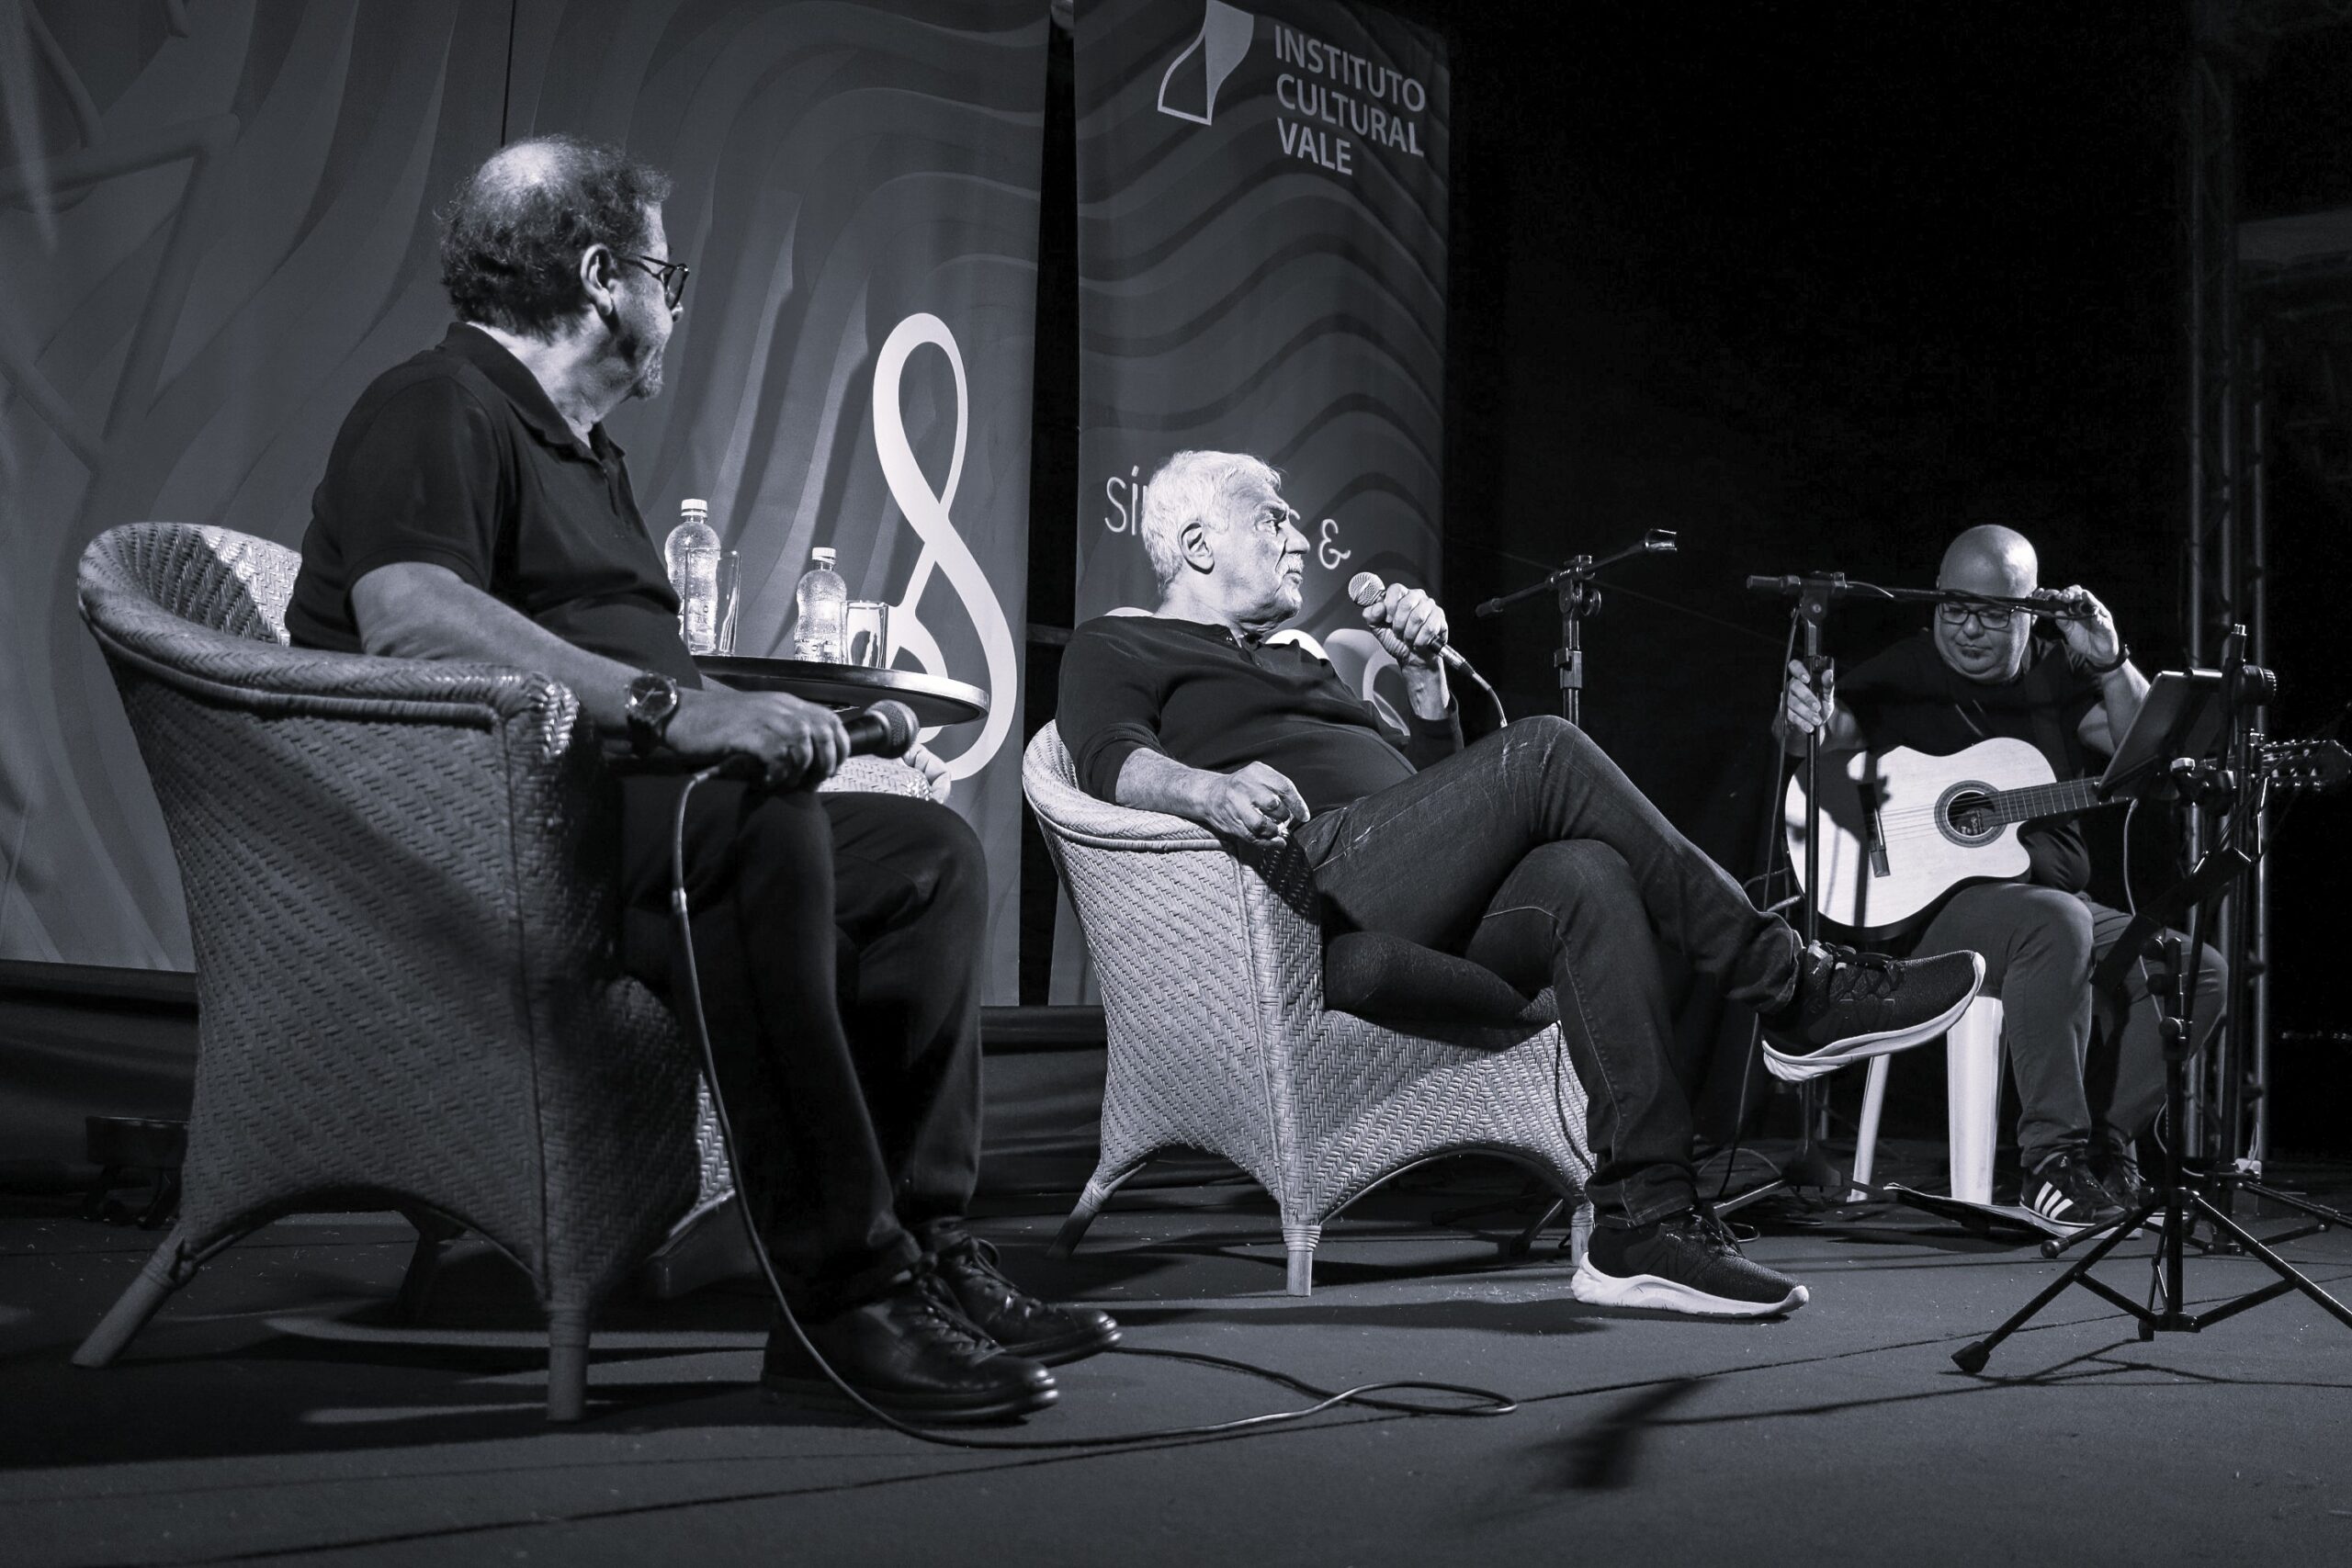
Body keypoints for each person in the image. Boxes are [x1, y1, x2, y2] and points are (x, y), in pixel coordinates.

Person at [285, 135, 1113, 1422]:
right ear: (602, 277)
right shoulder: (438, 402)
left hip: (611, 825)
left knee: (927, 861)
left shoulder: (589, 456)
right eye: (669, 277)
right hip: (495, 848)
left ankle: (926, 1247)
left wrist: (807, 721)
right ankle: (840, 1297)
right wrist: (680, 710)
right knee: (740, 823)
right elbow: (409, 615)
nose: (675, 306)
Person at [1057, 450, 1988, 1319]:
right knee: (1543, 748)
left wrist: (1424, 677)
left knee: (1586, 874)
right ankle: (1791, 986)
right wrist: (1209, 791)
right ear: (1197, 543)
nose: (1299, 538)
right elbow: (1106, 762)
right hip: (1306, 884)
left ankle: (1643, 1220)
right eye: (1274, 520)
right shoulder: (1119, 644)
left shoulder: (1304, 654)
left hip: (1395, 876)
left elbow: (1430, 783)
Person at [1775, 524, 2225, 1227]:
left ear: (2032, 611)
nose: (1968, 628)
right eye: (1954, 608)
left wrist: (2111, 664)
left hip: (2055, 906)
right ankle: (2051, 1162)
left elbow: (2151, 758)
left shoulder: (2056, 674)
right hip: (1930, 922)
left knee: (2199, 972)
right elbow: (1824, 736)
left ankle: (2103, 1150)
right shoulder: (1905, 669)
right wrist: (1808, 716)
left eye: (1991, 614)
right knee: (2059, 919)